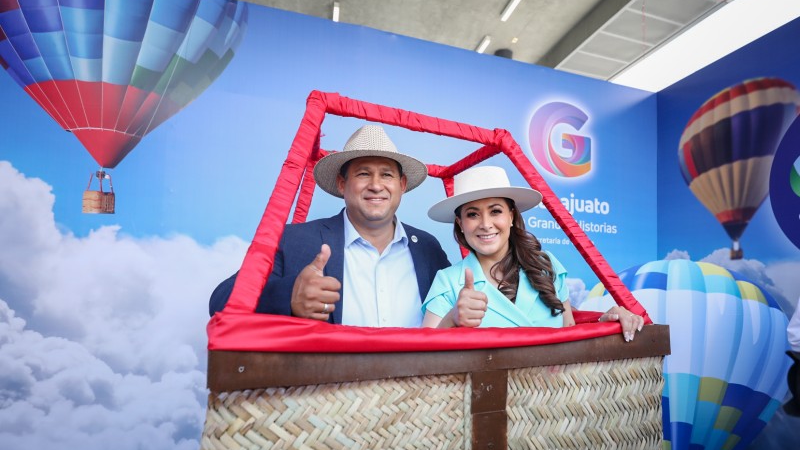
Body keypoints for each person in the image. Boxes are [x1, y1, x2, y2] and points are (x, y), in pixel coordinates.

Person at [209, 124, 450, 326]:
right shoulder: (295, 241)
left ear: (402, 185)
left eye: (386, 175)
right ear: (342, 184)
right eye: (363, 174)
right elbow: (221, 300)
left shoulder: (428, 248)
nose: (376, 185)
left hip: (420, 372)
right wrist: (290, 296)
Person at [421, 166, 644, 341]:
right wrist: (452, 319)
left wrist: (608, 322)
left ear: (511, 216)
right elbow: (426, 359)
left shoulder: (547, 266)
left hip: (554, 387)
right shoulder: (447, 281)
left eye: (495, 211)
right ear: (460, 223)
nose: (486, 224)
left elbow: (569, 334)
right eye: (473, 214)